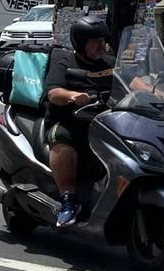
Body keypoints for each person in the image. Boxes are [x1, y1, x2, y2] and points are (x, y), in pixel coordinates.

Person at [43, 17, 114, 227]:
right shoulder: (65, 62)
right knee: (62, 140)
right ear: (81, 42)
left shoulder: (110, 63)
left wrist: (154, 92)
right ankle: (68, 201)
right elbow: (53, 92)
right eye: (95, 42)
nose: (101, 46)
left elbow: (133, 82)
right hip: (69, 121)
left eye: (103, 41)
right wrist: (72, 95)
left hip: (103, 122)